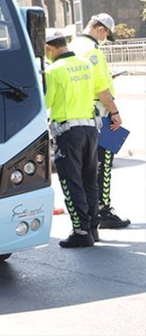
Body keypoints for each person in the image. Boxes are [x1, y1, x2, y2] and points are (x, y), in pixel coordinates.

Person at [69, 13, 130, 229]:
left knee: (83, 166)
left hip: (77, 114)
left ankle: (88, 213)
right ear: (101, 29)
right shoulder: (92, 52)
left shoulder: (73, 46)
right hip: (98, 113)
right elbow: (100, 88)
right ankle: (103, 210)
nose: (104, 39)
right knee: (104, 163)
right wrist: (114, 111)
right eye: (106, 35)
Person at [44, 30, 101, 247]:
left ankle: (80, 231)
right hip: (90, 129)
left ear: (49, 48)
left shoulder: (53, 70)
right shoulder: (85, 63)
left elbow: (47, 102)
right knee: (90, 180)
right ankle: (93, 228)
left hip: (68, 133)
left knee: (71, 180)